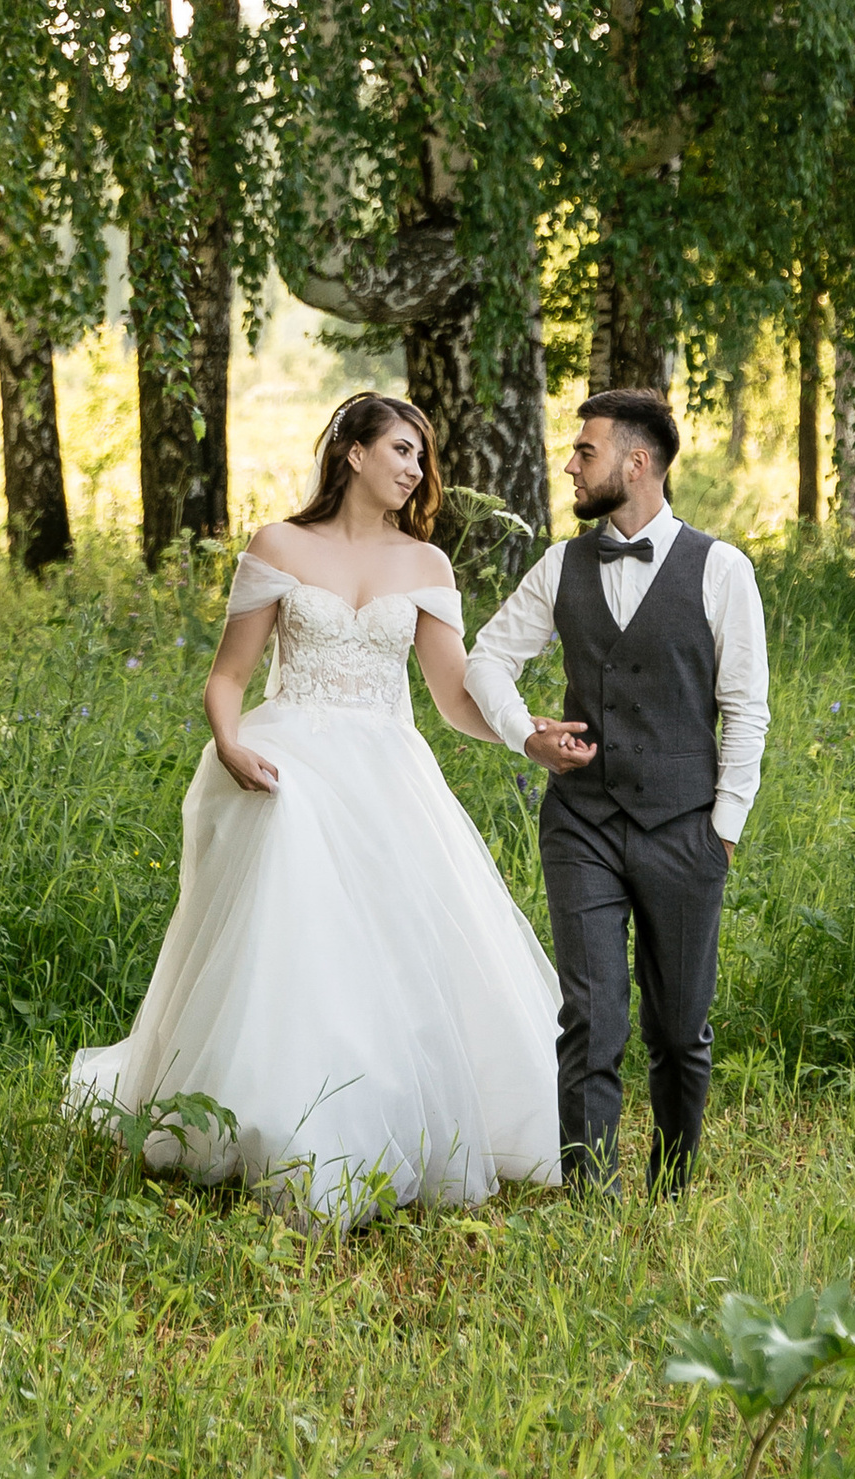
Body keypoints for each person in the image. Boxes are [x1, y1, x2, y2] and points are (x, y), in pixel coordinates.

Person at [66, 393, 560, 1226]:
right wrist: (229, 743)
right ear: (352, 453)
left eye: (420, 458)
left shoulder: (426, 565)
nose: (415, 470)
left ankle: (384, 1121)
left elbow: (449, 699)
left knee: (400, 948)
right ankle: (272, 1121)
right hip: (289, 753)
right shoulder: (280, 545)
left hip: (386, 766)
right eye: (401, 450)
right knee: (297, 909)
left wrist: (525, 737)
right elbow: (227, 678)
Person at [462, 387, 768, 1196]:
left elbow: (746, 708)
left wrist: (723, 828)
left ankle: (670, 1192)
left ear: (638, 463)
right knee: (591, 1019)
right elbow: (486, 658)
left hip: (686, 828)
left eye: (585, 450)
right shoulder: (561, 565)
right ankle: (590, 1197)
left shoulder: (723, 569)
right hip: (582, 825)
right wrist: (525, 733)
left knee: (678, 1028)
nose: (569, 463)